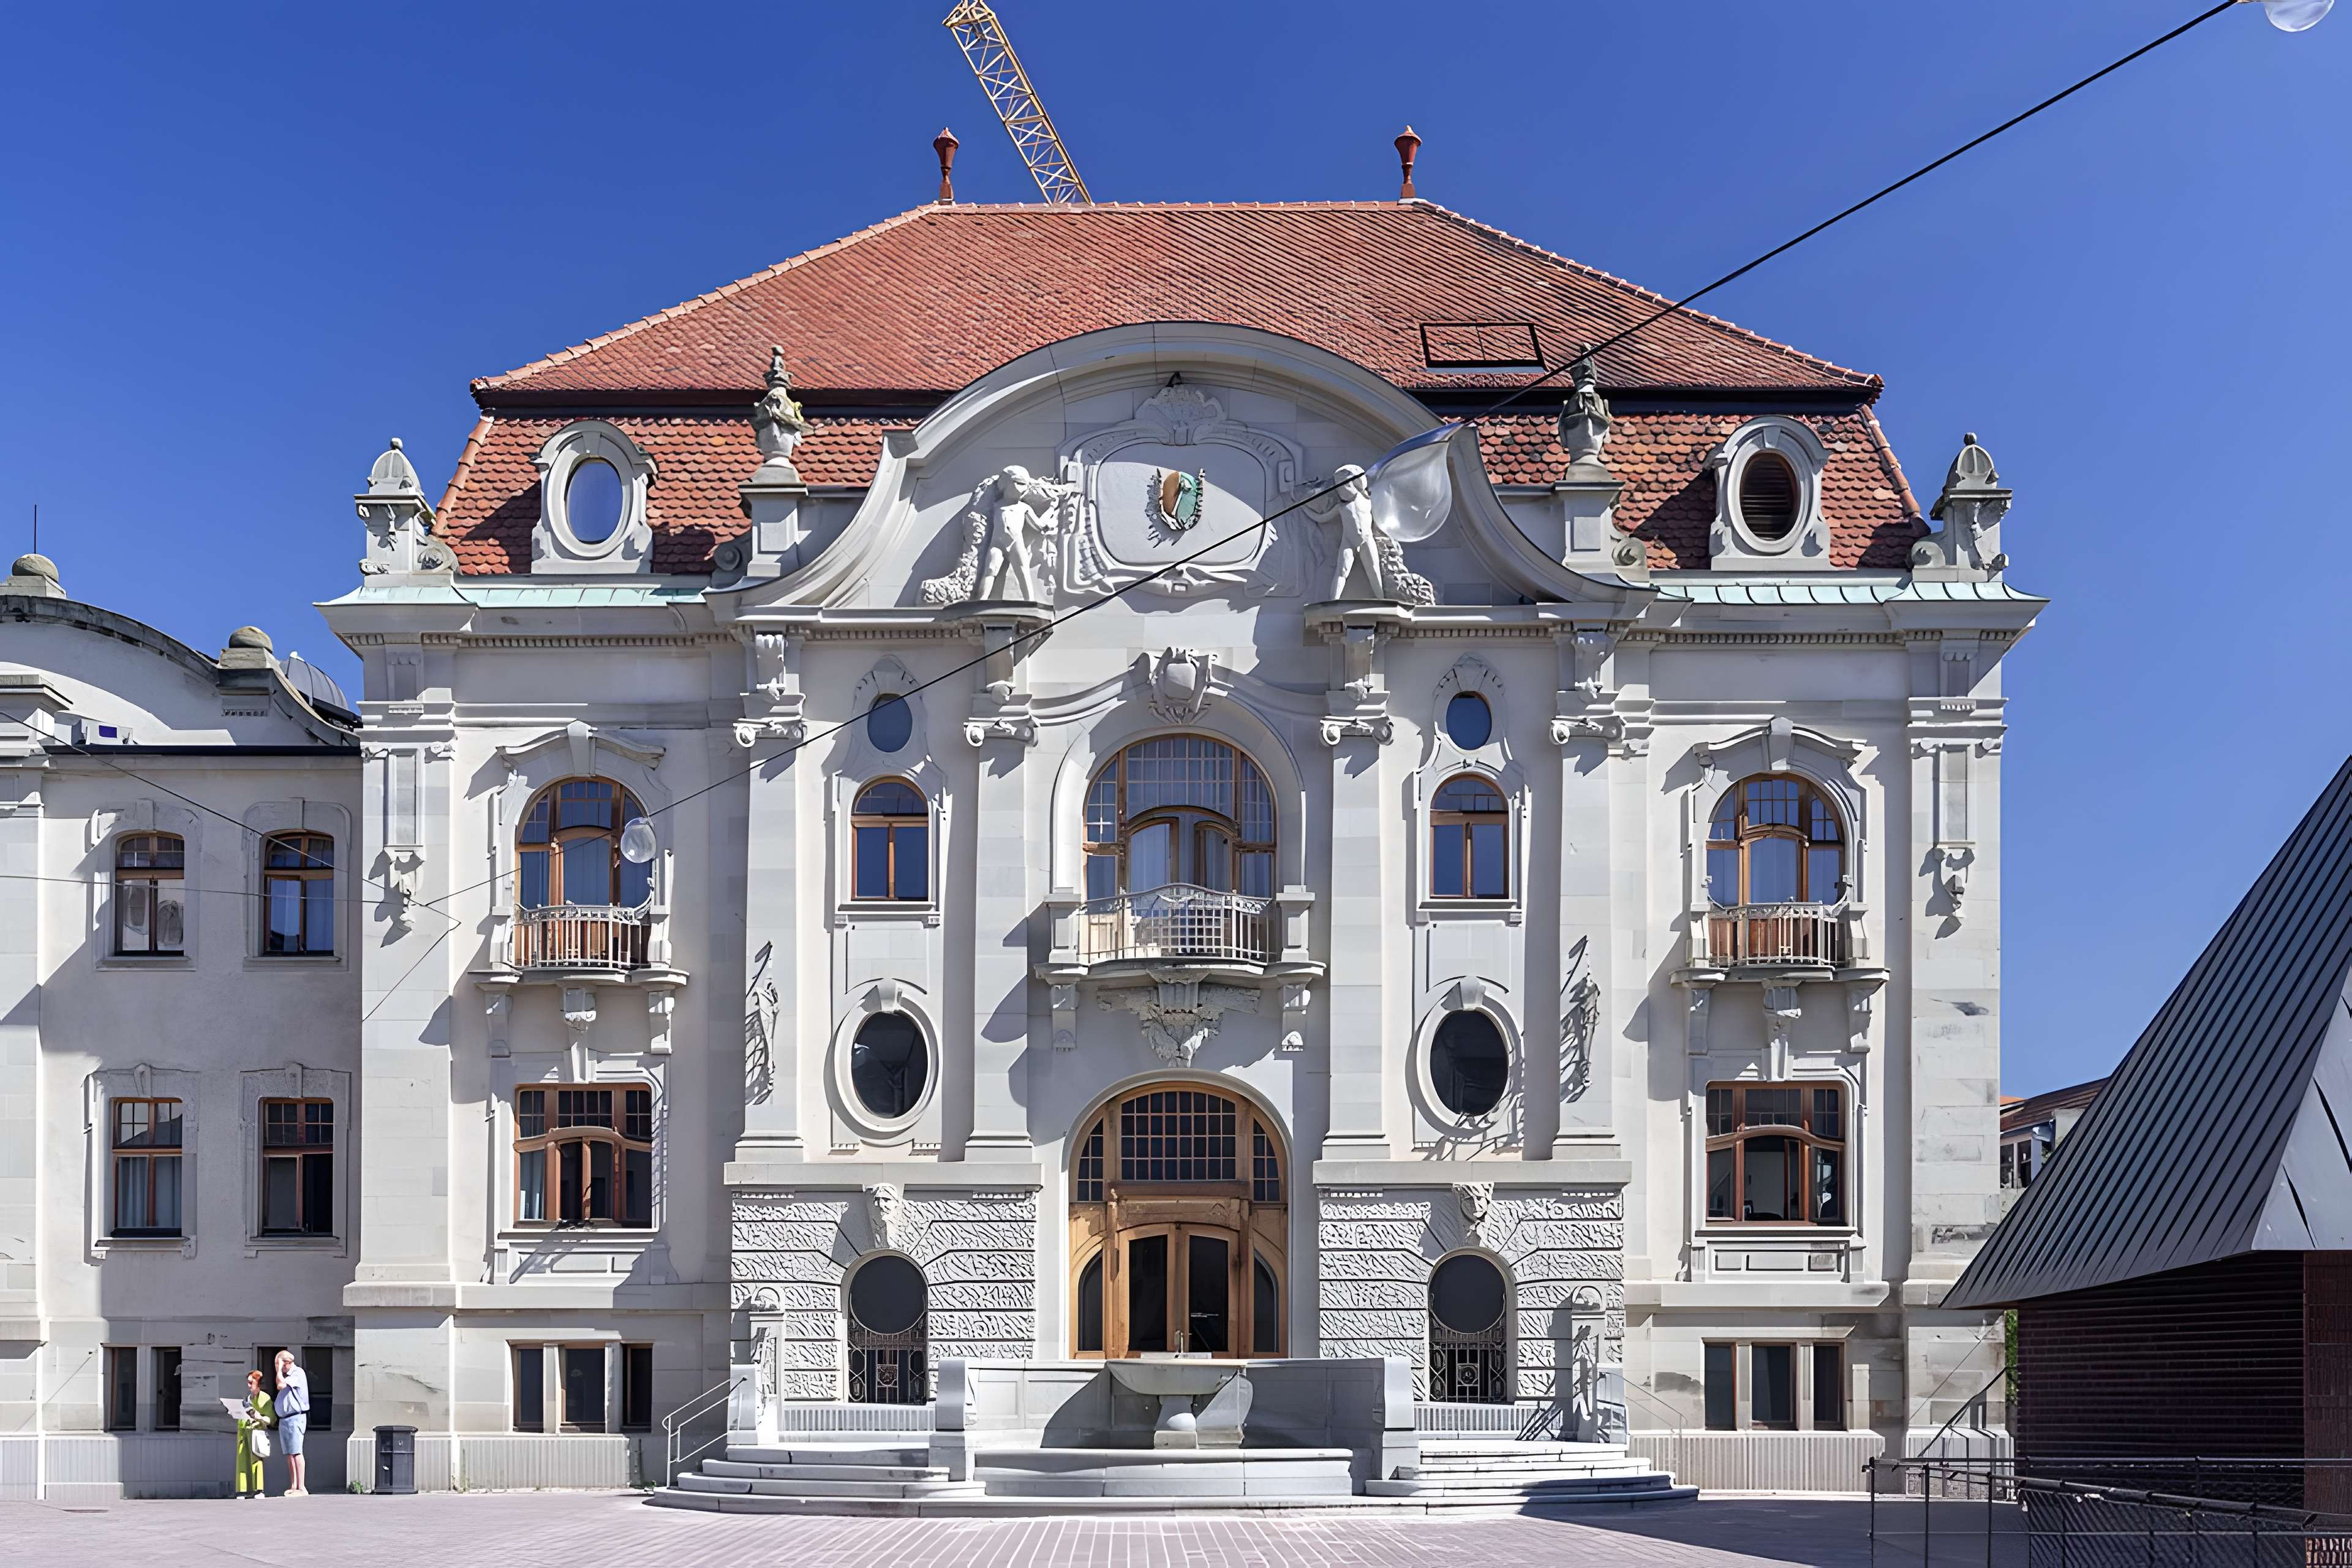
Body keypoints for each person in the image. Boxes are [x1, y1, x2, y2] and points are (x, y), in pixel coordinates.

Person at [272, 1350, 310, 1496]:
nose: (277, 1367)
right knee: (289, 1454)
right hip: (285, 1419)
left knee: (296, 1452)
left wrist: (279, 1368)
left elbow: (280, 1385)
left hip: (296, 1417)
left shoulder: (297, 1373)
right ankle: (294, 1485)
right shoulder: (289, 1375)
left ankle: (302, 1487)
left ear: (286, 1362)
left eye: (278, 1363)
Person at [233, 1368, 273, 1500]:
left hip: (257, 1431)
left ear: (259, 1384)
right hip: (244, 1430)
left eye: (251, 1382)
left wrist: (259, 1417)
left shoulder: (265, 1398)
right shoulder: (248, 1398)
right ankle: (243, 1489)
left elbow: (270, 1419)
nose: (249, 1385)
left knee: (257, 1460)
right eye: (248, 1382)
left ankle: (259, 1489)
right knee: (242, 1460)